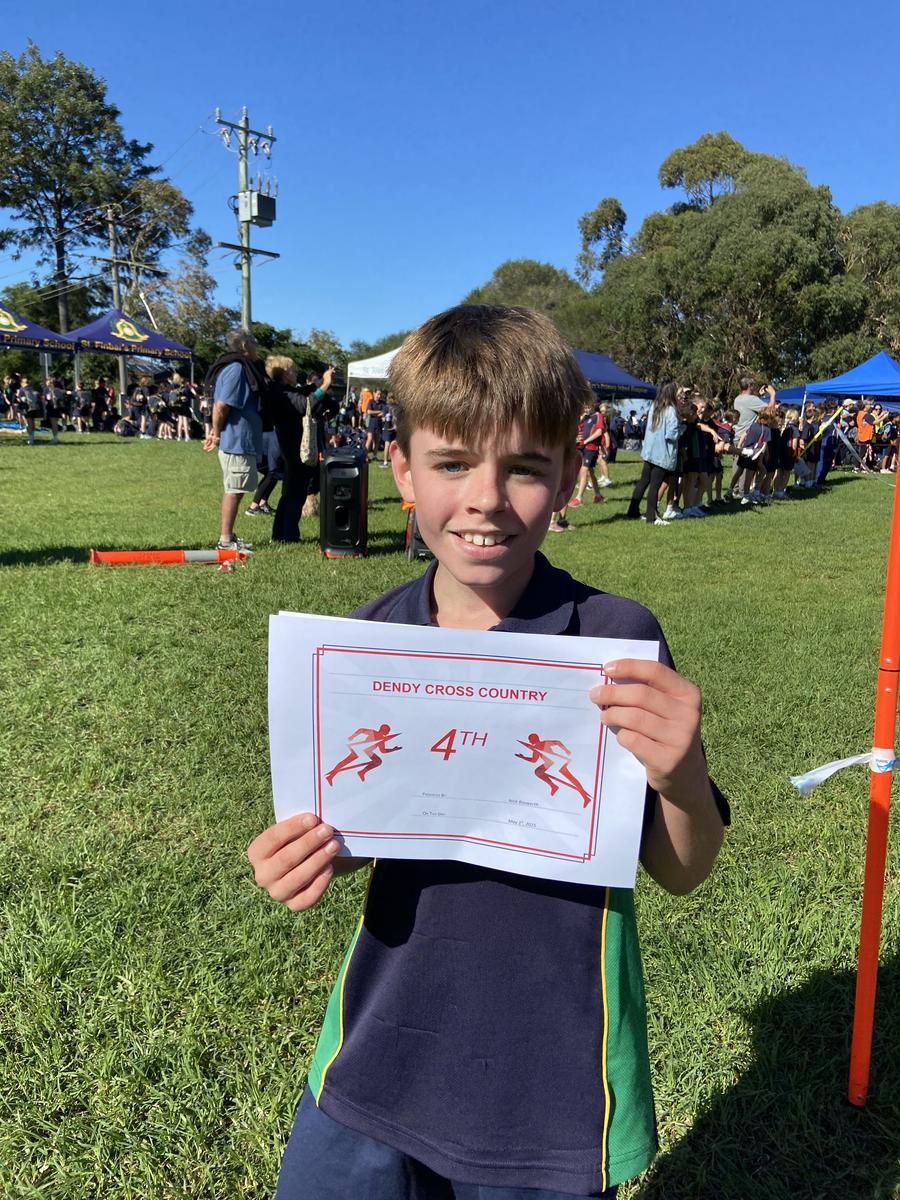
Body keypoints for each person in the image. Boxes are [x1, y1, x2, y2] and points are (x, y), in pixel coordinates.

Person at [248, 304, 728, 1200]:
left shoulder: (615, 639)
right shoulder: (368, 643)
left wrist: (683, 777)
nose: (485, 499)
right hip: (377, 1049)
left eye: (524, 469)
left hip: (549, 1079)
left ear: (571, 474)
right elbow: (353, 826)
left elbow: (681, 869)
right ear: (402, 469)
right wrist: (307, 854)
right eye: (452, 463)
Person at [203, 328, 268, 551]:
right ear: (244, 345)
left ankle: (229, 536)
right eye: (254, 342)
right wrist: (216, 434)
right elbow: (221, 406)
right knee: (234, 490)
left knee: (238, 489)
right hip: (235, 442)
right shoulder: (237, 369)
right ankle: (225, 541)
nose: (256, 347)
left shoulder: (240, 367)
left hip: (241, 441)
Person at [265, 357, 335, 543]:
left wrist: (320, 381)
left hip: (290, 446)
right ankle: (290, 535)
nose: (296, 373)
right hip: (294, 447)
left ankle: (280, 533)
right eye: (292, 371)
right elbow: (306, 405)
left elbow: (304, 391)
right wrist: (324, 385)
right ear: (284, 374)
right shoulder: (282, 393)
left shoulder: (282, 390)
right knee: (296, 492)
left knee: (289, 492)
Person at [627, 380, 681, 525]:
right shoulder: (671, 410)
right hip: (662, 454)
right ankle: (652, 517)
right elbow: (671, 435)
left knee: (643, 482)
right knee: (655, 486)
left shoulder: (654, 406)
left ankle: (632, 511)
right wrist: (680, 430)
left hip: (649, 452)